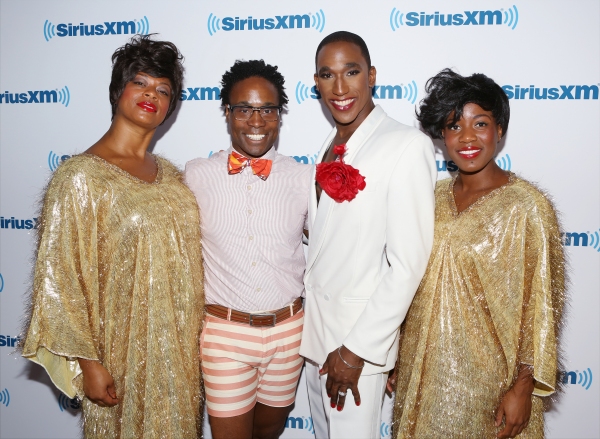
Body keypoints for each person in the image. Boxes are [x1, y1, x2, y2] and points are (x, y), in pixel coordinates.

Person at [20, 35, 204, 439]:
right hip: (119, 359)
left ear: (171, 107)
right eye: (140, 82)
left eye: (163, 90)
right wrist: (87, 361)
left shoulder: (172, 177)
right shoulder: (78, 177)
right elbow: (60, 279)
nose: (151, 95)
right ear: (118, 90)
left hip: (181, 359)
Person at [391, 69, 566, 439]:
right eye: (454, 126)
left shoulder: (527, 206)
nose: (467, 137)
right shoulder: (431, 197)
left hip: (491, 388)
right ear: (442, 136)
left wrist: (523, 387)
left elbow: (542, 309)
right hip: (420, 375)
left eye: (480, 123)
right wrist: (397, 355)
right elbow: (407, 279)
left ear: (500, 130)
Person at [299, 31, 437, 439]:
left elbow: (408, 263)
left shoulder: (405, 145)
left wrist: (356, 350)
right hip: (316, 342)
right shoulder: (330, 144)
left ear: (372, 75)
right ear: (317, 82)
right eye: (327, 75)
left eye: (351, 71)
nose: (339, 88)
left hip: (355, 350)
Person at [184, 60, 311, 439]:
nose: (256, 120)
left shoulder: (304, 177)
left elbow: (331, 249)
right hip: (225, 335)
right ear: (228, 113)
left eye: (267, 109)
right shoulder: (195, 175)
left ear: (279, 115)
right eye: (244, 109)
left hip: (290, 334)